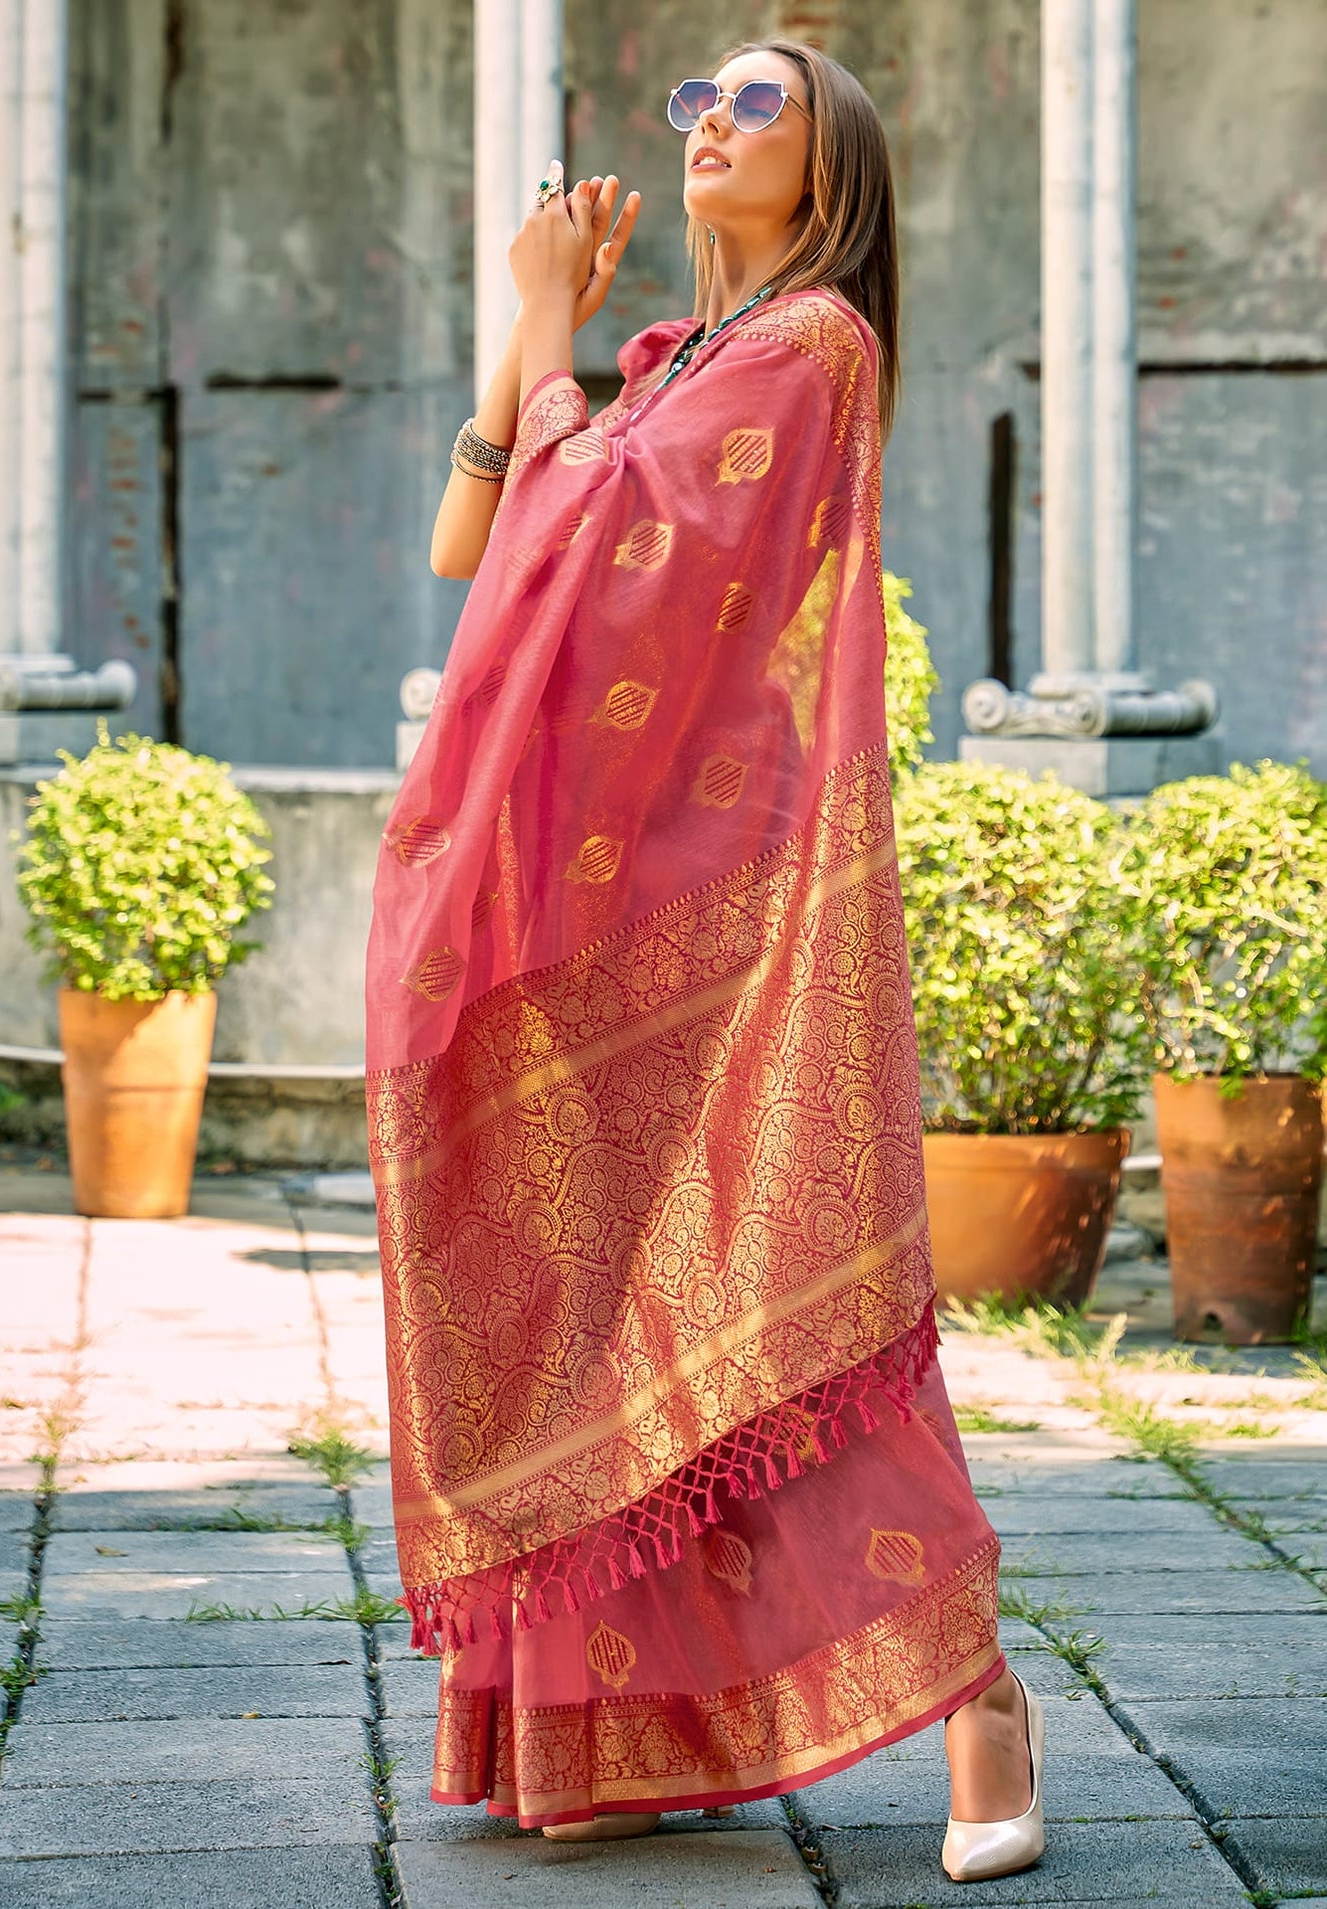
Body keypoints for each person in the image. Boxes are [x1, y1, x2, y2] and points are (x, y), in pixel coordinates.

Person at [364, 36, 1044, 1886]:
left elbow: (610, 543)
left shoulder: (816, 344)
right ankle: (605, 1730)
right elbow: (472, 544)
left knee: (779, 1299)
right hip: (578, 908)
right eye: (698, 103)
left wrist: (538, 331)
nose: (712, 126)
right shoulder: (678, 359)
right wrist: (544, 328)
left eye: (758, 101)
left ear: (830, 165)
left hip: (716, 912)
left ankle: (981, 1698)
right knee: (584, 1305)